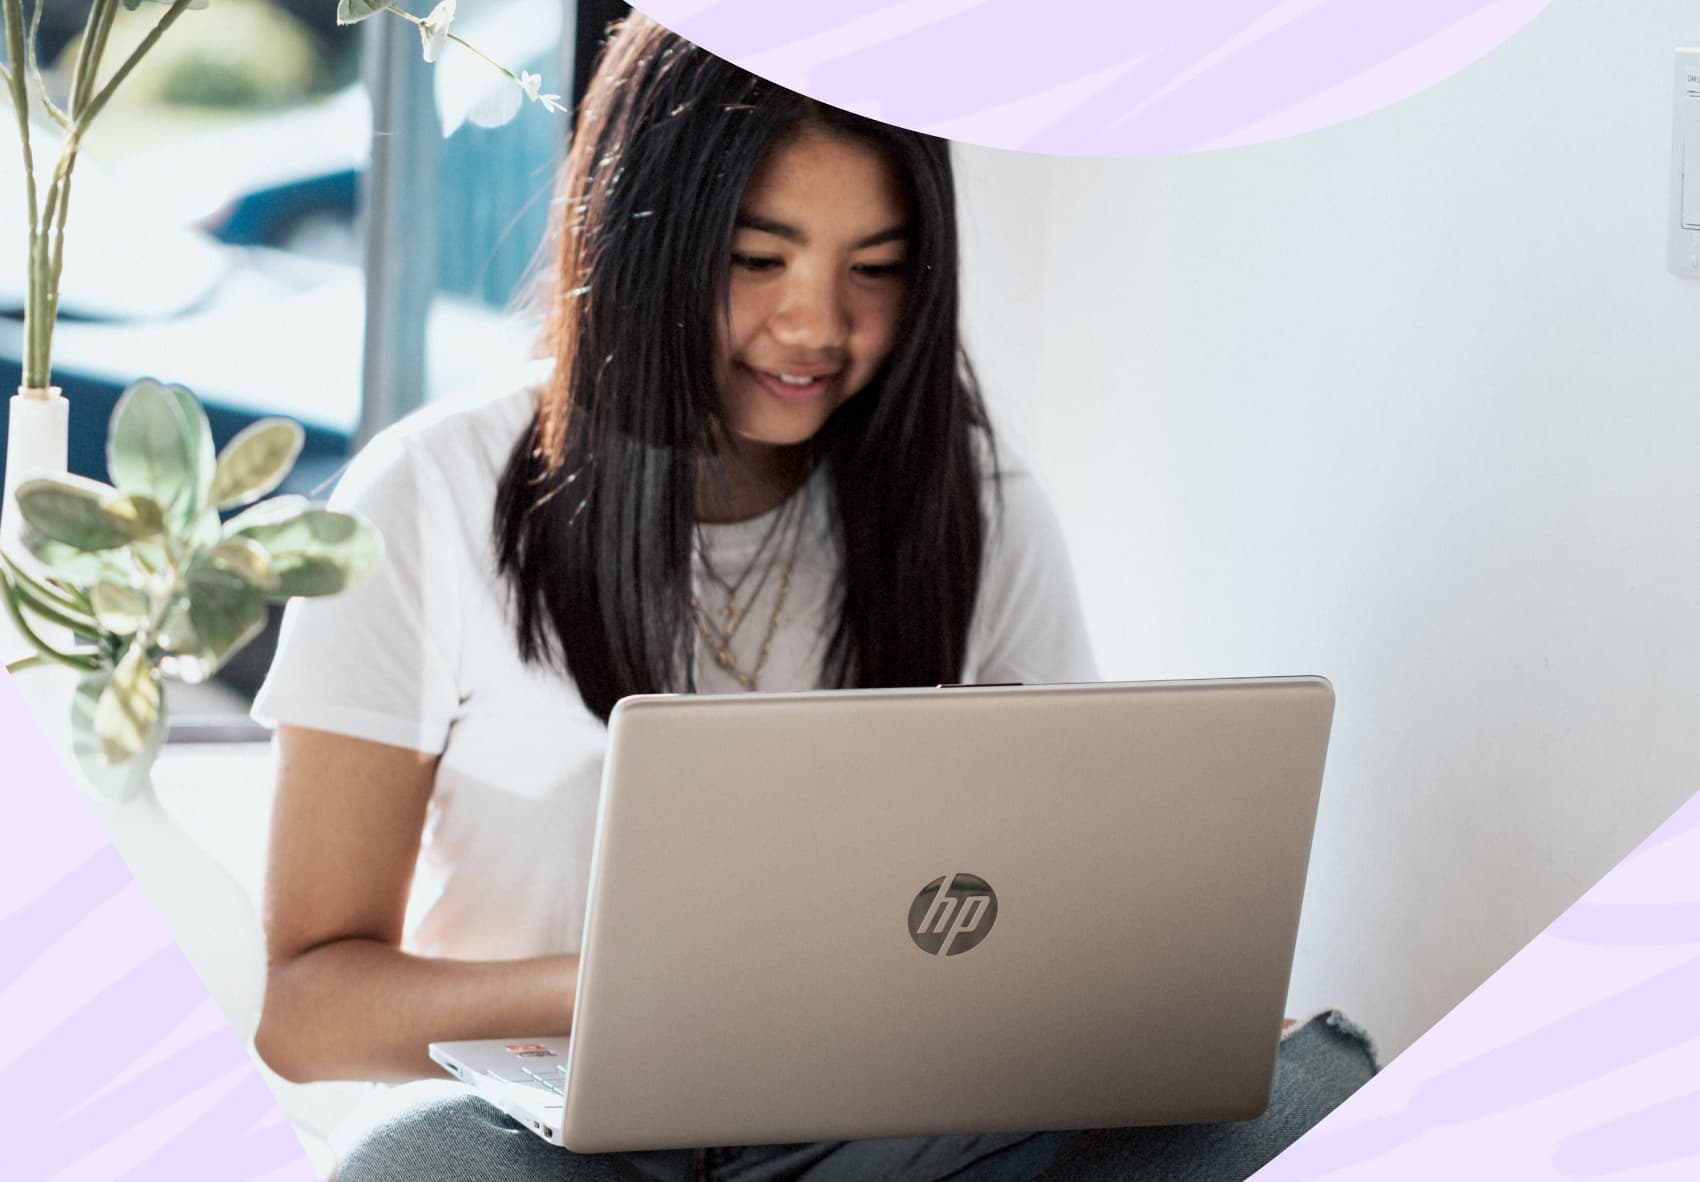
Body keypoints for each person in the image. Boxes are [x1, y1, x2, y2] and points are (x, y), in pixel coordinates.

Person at [250, 12, 1374, 1180]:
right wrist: (654, 992)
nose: (814, 327)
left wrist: (1161, 1012)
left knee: (1314, 1084)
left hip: (891, 1134)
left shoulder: (974, 503)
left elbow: (1062, 915)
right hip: (570, 1138)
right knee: (410, 1160)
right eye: (756, 258)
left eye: (873, 268)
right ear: (641, 238)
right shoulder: (427, 493)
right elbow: (307, 1010)